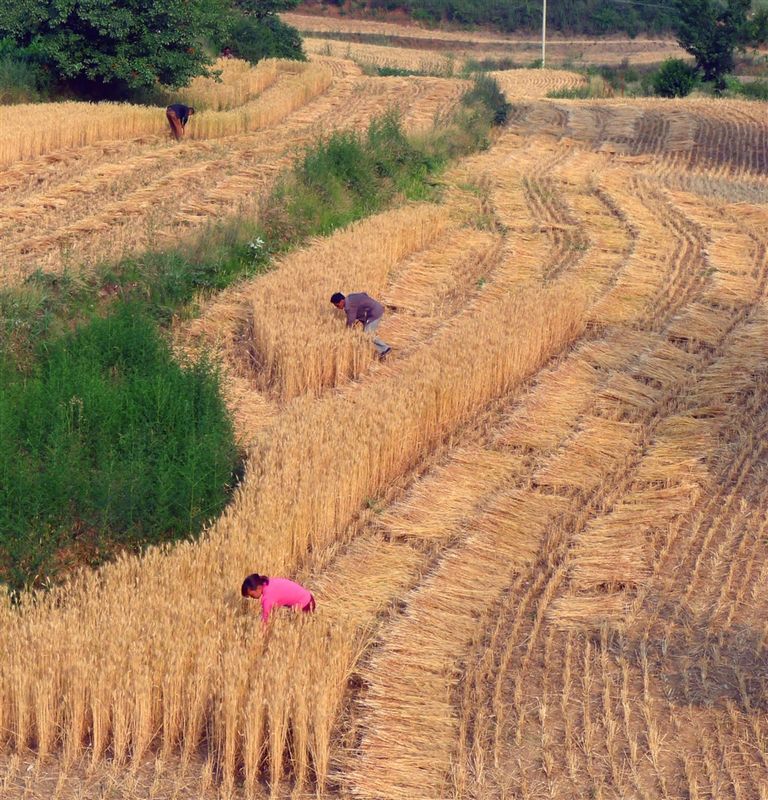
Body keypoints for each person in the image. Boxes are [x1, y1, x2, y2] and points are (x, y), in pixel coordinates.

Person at [330, 291, 391, 360]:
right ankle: (381, 350)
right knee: (367, 334)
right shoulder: (350, 297)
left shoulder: (349, 305)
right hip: (372, 311)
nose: (337, 307)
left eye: (337, 305)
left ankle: (385, 349)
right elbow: (364, 294)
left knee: (368, 334)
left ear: (342, 301)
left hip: (374, 313)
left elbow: (351, 320)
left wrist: (346, 332)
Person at [241, 573, 316, 623]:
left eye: (251, 595)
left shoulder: (267, 598)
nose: (252, 597)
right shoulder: (268, 582)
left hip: (305, 607)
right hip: (309, 598)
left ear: (258, 588)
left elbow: (265, 622)